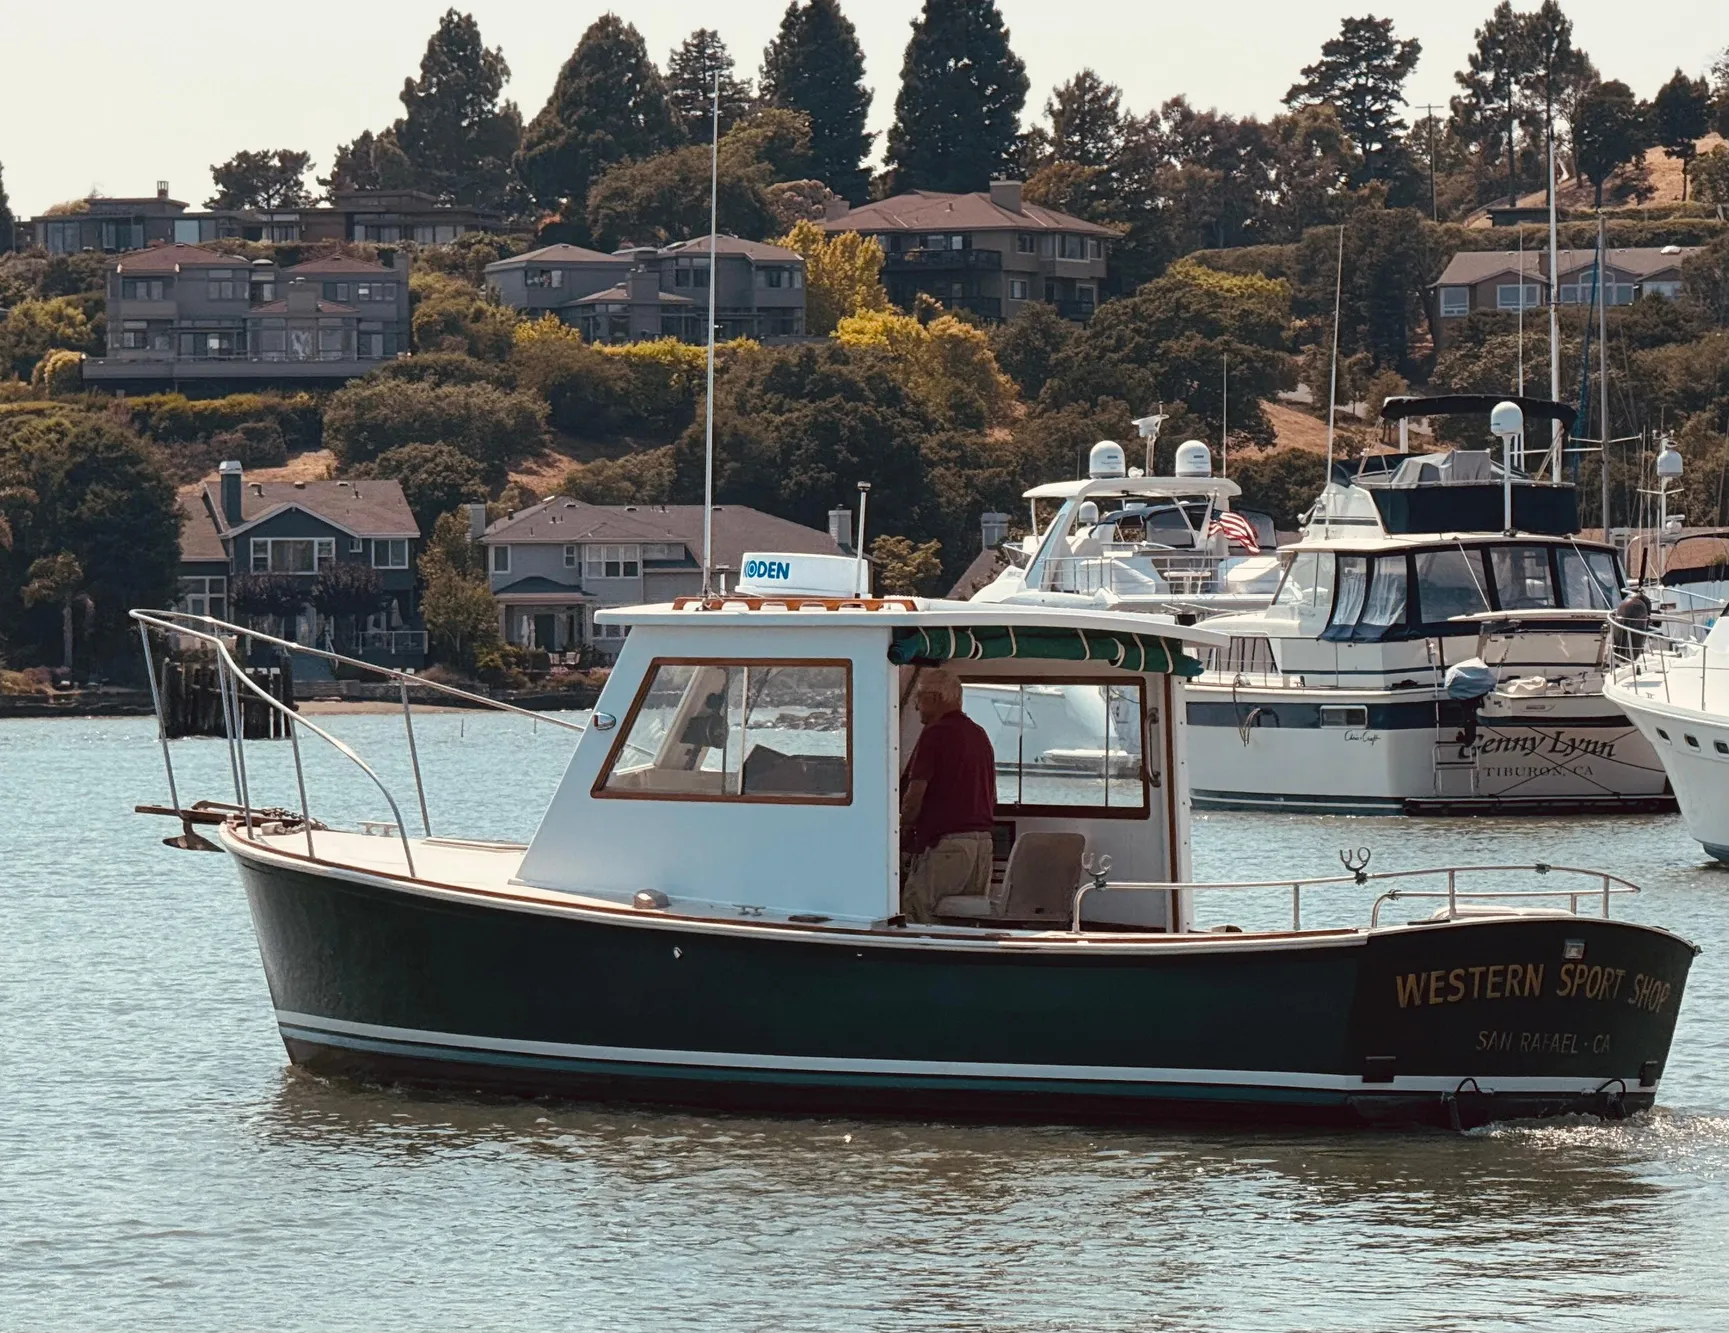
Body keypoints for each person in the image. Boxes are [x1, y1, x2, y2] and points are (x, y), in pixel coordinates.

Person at [900, 667, 997, 923]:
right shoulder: (979, 734)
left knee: (916, 911)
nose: (916, 706)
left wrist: (900, 834)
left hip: (948, 846)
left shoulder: (935, 734)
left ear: (934, 698)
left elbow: (914, 796)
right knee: (963, 920)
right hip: (982, 848)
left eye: (918, 698)